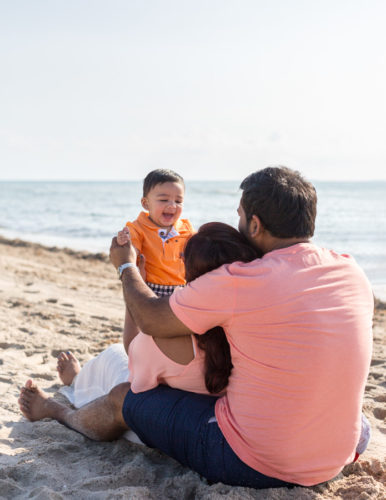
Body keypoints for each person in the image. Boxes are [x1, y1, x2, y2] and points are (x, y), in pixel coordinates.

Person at [18, 166, 374, 490]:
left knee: (124, 398)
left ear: (254, 225)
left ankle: (59, 411)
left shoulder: (243, 280)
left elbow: (150, 318)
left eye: (240, 217)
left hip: (257, 464)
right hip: (340, 454)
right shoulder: (351, 271)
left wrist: (127, 267)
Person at [56, 223, 259, 412]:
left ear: (189, 270)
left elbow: (134, 350)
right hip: (215, 417)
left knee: (114, 356)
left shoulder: (170, 338)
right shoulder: (260, 321)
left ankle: (77, 382)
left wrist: (131, 276)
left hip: (161, 423)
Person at [116, 168, 194, 352]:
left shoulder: (186, 228)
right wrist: (124, 244)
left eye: (178, 200)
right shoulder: (138, 227)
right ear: (145, 203)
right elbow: (131, 251)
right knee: (139, 325)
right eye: (164, 199)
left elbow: (199, 249)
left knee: (176, 330)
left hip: (179, 288)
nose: (172, 205)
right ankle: (132, 352)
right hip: (149, 286)